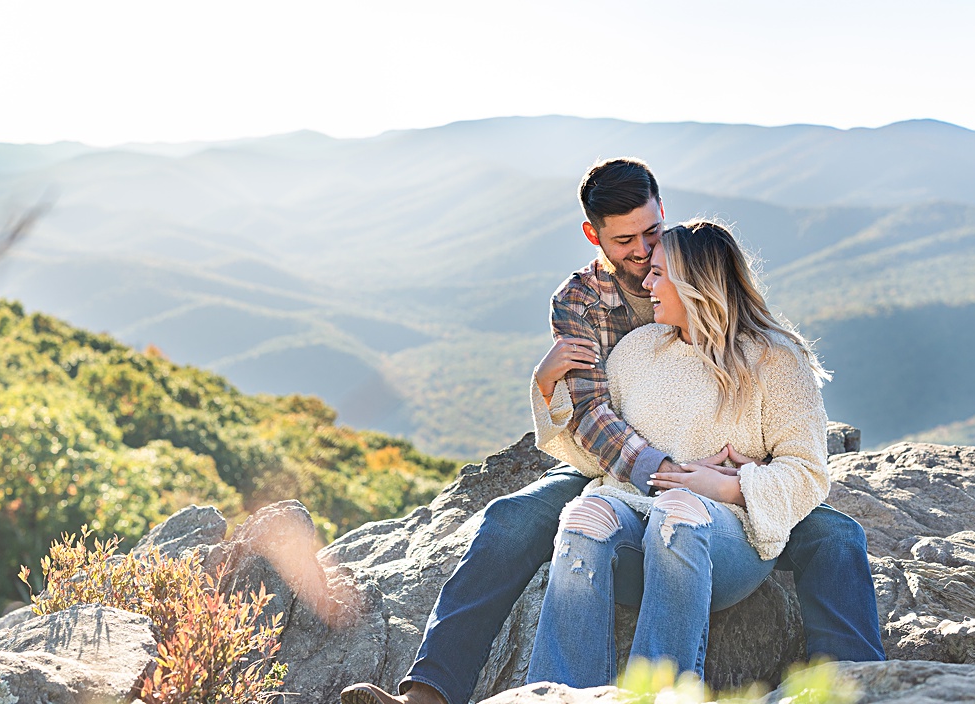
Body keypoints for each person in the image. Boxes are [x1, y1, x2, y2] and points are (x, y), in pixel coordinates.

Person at [341, 159, 884, 704]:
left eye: (653, 234)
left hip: (717, 482)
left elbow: (747, 355)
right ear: (593, 235)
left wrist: (730, 482)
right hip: (623, 467)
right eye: (626, 241)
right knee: (511, 520)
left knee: (837, 536)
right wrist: (655, 464)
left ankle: (864, 688)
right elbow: (593, 416)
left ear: (665, 218)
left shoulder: (705, 283)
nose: (645, 254)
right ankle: (430, 695)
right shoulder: (580, 301)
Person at [526, 219, 830, 685]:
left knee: (679, 511)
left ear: (695, 285)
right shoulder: (637, 351)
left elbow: (808, 473)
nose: (645, 282)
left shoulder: (776, 359)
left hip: (728, 544)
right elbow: (598, 458)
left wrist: (726, 486)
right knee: (584, 515)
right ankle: (559, 694)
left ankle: (657, 696)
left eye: (659, 273)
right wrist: (546, 392)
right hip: (635, 523)